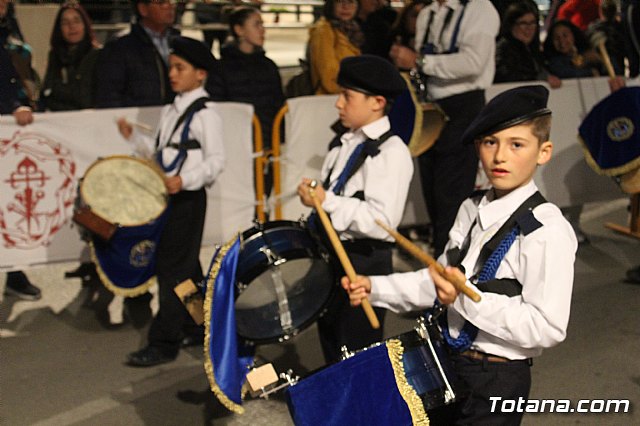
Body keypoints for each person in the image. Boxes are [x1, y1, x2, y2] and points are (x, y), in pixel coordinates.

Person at [343, 85, 578, 425]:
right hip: (446, 363)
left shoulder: (547, 229)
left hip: (495, 380)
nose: (499, 157)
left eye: (516, 145)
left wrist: (465, 298)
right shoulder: (471, 207)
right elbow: (439, 280)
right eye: (489, 142)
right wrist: (375, 287)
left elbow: (547, 327)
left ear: (544, 152)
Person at [296, 55, 413, 363]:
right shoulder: (343, 142)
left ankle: (361, 410)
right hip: (333, 256)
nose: (338, 104)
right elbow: (335, 193)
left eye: (347, 96)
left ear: (376, 102)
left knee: (358, 352)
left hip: (364, 262)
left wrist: (328, 202)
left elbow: (382, 222)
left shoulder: (392, 153)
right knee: (332, 343)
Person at [117, 36, 225, 366]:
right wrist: (134, 139)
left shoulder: (206, 114)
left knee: (172, 269)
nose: (173, 74)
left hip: (189, 199)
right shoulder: (170, 109)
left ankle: (164, 342)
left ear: (201, 74)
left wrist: (185, 180)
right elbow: (161, 153)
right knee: (185, 266)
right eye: (171, 67)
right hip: (170, 198)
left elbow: (216, 161)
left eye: (181, 68)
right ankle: (199, 323)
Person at [389, 0, 500, 258]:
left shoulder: (479, 8)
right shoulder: (428, 12)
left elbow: (474, 62)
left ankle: (448, 266)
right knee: (433, 192)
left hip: (463, 106)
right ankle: (442, 261)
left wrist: (419, 61)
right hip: (430, 107)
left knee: (452, 195)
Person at [207, 6, 284, 197]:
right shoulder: (221, 68)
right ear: (239, 30)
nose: (262, 30)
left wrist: (276, 140)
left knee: (265, 197)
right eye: (257, 24)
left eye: (262, 25)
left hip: (267, 148)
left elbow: (278, 105)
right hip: (235, 150)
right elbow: (218, 109)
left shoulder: (269, 66)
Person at [95, 0, 179, 108]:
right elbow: (109, 95)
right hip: (136, 120)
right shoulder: (119, 47)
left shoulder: (181, 43)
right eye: (162, 2)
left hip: (176, 118)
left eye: (172, 2)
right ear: (143, 9)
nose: (170, 7)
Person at [41, 1, 101, 111]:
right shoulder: (55, 56)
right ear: (59, 29)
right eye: (65, 23)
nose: (72, 26)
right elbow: (46, 94)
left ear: (85, 25)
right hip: (60, 119)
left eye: (76, 21)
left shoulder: (99, 55)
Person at [495, 0, 562, 88]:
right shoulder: (504, 50)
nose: (529, 28)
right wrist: (543, 78)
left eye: (532, 23)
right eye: (523, 23)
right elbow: (510, 78)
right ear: (512, 25)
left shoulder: (531, 49)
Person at [308, 0, 363, 95]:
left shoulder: (351, 30)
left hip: (348, 95)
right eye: (340, 1)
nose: (345, 7)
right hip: (332, 98)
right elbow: (329, 78)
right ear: (331, 5)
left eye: (351, 2)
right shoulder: (324, 31)